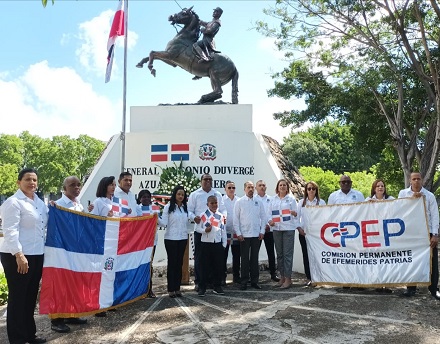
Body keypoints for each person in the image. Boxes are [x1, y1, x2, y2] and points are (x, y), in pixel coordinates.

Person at [0, 168, 48, 344]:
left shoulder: (39, 202)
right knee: (18, 297)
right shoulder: (13, 203)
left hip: (36, 254)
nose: (32, 183)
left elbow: (46, 222)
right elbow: (10, 231)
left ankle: (29, 334)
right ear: (18, 182)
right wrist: (19, 254)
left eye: (35, 180)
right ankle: (17, 338)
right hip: (17, 256)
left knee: (29, 297)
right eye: (28, 179)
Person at [50, 176, 88, 333]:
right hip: (61, 253)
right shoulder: (57, 205)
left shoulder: (78, 205)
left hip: (76, 252)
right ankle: (56, 320)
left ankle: (71, 314)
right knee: (60, 285)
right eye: (73, 185)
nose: (77, 187)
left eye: (79, 185)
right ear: (64, 188)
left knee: (74, 283)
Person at [398, 172, 440, 300]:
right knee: (411, 259)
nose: (416, 181)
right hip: (410, 232)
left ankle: (434, 289)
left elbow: (434, 216)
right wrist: (412, 200)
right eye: (414, 179)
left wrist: (435, 235)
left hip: (426, 232)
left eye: (418, 179)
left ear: (422, 180)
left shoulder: (429, 195)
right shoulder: (403, 194)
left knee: (432, 260)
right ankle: (411, 288)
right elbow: (399, 210)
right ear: (410, 181)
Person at [187, 173, 226, 291]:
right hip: (201, 230)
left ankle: (214, 282)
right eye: (205, 179)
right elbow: (189, 211)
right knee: (200, 258)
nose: (208, 181)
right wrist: (194, 218)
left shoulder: (217, 194)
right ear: (201, 181)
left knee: (215, 258)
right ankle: (199, 282)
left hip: (215, 230)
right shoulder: (195, 194)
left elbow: (223, 210)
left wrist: (223, 218)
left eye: (210, 179)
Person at [233, 181, 266, 290]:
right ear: (244, 189)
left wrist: (262, 231)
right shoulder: (239, 202)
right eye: (248, 187)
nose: (251, 189)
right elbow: (235, 219)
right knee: (245, 259)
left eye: (252, 187)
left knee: (254, 259)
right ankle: (244, 281)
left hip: (256, 235)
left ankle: (254, 281)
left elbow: (263, 217)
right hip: (244, 235)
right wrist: (238, 233)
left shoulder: (258, 201)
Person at [267, 179, 299, 289]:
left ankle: (288, 278)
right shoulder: (273, 199)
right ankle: (282, 277)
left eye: (284, 185)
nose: (282, 187)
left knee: (287, 255)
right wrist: (270, 221)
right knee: (279, 255)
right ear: (277, 187)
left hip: (288, 229)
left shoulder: (291, 199)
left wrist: (294, 214)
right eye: (280, 185)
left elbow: (296, 214)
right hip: (276, 229)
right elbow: (269, 214)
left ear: (287, 187)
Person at [159, 186, 189, 298]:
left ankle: (177, 288)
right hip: (171, 239)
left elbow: (190, 217)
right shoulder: (168, 207)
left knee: (179, 263)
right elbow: (163, 222)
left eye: (182, 195)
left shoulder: (185, 208)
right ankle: (171, 289)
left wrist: (196, 218)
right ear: (174, 195)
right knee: (172, 264)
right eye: (178, 194)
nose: (180, 196)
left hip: (182, 238)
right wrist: (155, 217)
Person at [196, 195, 227, 296]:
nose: (214, 205)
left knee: (218, 266)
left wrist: (224, 244)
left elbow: (223, 231)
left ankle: (217, 286)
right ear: (207, 204)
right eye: (212, 203)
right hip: (205, 243)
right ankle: (202, 287)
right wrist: (205, 230)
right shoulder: (203, 215)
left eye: (215, 203)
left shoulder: (220, 216)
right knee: (204, 267)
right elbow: (197, 229)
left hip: (217, 243)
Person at [296, 181, 326, 287]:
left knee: (317, 255)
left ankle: (319, 277)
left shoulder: (321, 202)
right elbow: (296, 217)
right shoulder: (301, 203)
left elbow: (325, 218)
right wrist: (299, 228)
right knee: (306, 255)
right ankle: (309, 277)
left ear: (316, 190)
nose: (311, 191)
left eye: (313, 188)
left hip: (317, 235)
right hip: (304, 233)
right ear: (306, 190)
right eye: (309, 189)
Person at [136, 189, 159, 298]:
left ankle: (149, 289)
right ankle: (140, 289)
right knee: (140, 264)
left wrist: (158, 218)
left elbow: (162, 222)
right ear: (140, 199)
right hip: (140, 242)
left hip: (152, 241)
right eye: (143, 197)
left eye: (148, 197)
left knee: (149, 265)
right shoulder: (137, 209)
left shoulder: (154, 208)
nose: (146, 199)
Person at [255, 180, 279, 282]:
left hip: (269, 230)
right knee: (254, 253)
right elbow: (254, 215)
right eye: (260, 185)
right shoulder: (253, 199)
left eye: (264, 185)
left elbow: (273, 214)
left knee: (271, 252)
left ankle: (273, 274)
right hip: (257, 230)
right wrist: (262, 226)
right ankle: (254, 275)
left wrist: (268, 224)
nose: (262, 187)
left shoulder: (271, 199)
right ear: (256, 187)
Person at [222, 180, 240, 284]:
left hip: (236, 232)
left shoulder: (239, 200)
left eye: (233, 188)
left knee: (236, 255)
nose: (231, 190)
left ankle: (236, 277)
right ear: (225, 189)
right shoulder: (221, 201)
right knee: (223, 256)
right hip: (225, 232)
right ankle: (222, 277)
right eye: (229, 188)